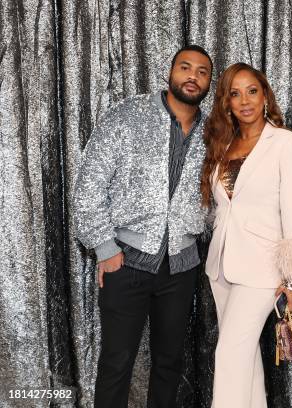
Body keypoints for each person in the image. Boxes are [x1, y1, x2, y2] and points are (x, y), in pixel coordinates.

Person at [73, 45, 213, 407]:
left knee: (169, 363)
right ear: (170, 72)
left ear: (209, 82)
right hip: (126, 261)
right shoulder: (129, 114)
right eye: (185, 67)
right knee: (117, 363)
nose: (193, 76)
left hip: (181, 266)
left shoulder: (214, 132)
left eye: (202, 71)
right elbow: (89, 182)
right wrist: (105, 249)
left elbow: (216, 198)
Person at [202, 62, 292, 408]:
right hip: (221, 266)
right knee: (244, 358)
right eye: (235, 94)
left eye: (252, 91)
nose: (245, 100)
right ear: (227, 103)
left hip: (262, 268)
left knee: (229, 354)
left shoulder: (286, 143)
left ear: (264, 94)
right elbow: (224, 209)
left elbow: (291, 212)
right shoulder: (224, 144)